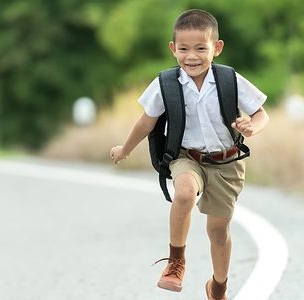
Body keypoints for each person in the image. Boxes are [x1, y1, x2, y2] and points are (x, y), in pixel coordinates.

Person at [109, 8, 269, 300]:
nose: (191, 56)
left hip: (226, 162)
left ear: (216, 48)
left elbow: (261, 114)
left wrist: (252, 127)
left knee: (218, 232)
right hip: (187, 157)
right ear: (173, 49)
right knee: (183, 194)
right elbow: (147, 121)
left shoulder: (229, 80)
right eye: (183, 49)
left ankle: (218, 285)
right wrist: (125, 149)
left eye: (200, 48)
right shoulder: (165, 84)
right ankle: (176, 262)